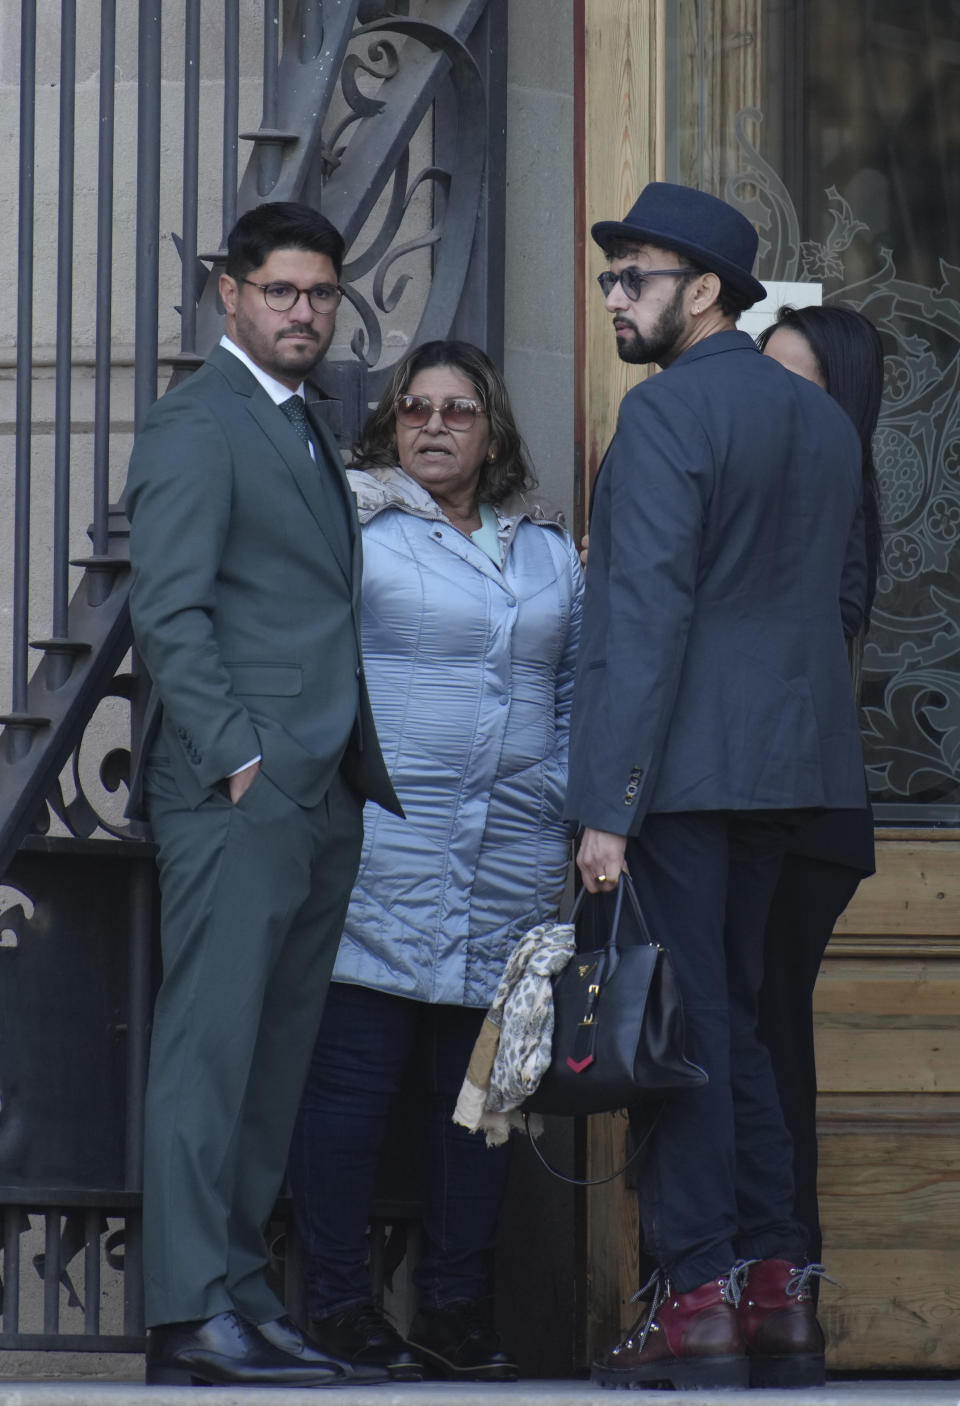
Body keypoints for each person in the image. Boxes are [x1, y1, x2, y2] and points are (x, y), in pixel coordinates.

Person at [565, 182, 868, 1392]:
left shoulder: (667, 419)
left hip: (681, 779)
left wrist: (606, 803)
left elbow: (640, 619)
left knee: (680, 1032)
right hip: (788, 779)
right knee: (735, 1026)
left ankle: (692, 1298)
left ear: (705, 291)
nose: (614, 301)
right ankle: (777, 1291)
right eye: (609, 281)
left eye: (633, 278)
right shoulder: (821, 423)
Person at [125, 200, 402, 1388]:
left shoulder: (296, 422)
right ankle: (189, 1308)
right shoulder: (200, 421)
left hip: (315, 786)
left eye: (322, 292)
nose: (304, 311)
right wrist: (241, 753)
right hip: (241, 790)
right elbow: (169, 611)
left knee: (270, 1060)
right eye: (282, 290)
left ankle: (238, 1288)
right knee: (211, 1051)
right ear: (229, 293)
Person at [287, 340, 583, 1382]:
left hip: (508, 861)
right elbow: (305, 657)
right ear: (389, 423)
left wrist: (560, 796)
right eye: (415, 407)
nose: (435, 425)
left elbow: (574, 687)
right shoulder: (357, 524)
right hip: (384, 847)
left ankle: (459, 1308)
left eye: (460, 410)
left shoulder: (547, 548)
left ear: (492, 428)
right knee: (350, 1089)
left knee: (483, 1102)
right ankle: (335, 1303)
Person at [756, 304, 884, 1266]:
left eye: (792, 382)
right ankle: (770, 1275)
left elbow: (829, 617)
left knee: (762, 1045)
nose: (770, 401)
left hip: (802, 812)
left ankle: (779, 1270)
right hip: (777, 799)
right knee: (752, 1039)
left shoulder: (835, 488)